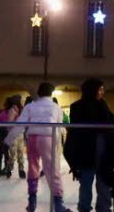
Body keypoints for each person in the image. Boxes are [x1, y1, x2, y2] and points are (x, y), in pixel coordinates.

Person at [8, 82, 72, 212]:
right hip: (47, 138)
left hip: (32, 138)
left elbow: (21, 122)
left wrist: (9, 139)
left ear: (39, 93)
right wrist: (58, 144)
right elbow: (58, 127)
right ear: (51, 93)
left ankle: (32, 201)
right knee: (53, 170)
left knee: (33, 168)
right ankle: (58, 204)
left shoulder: (31, 106)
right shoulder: (55, 107)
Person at [67, 78, 114, 212]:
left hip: (102, 149)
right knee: (86, 183)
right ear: (92, 90)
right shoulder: (77, 107)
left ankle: (103, 207)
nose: (102, 92)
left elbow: (112, 119)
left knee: (103, 182)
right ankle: (85, 207)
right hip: (86, 149)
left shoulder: (102, 105)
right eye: (100, 89)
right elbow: (76, 132)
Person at [0, 96, 18, 177]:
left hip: (7, 134)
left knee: (6, 151)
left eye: (6, 102)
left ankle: (7, 168)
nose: (4, 104)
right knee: (0, 151)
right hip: (1, 133)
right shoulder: (2, 112)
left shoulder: (12, 112)